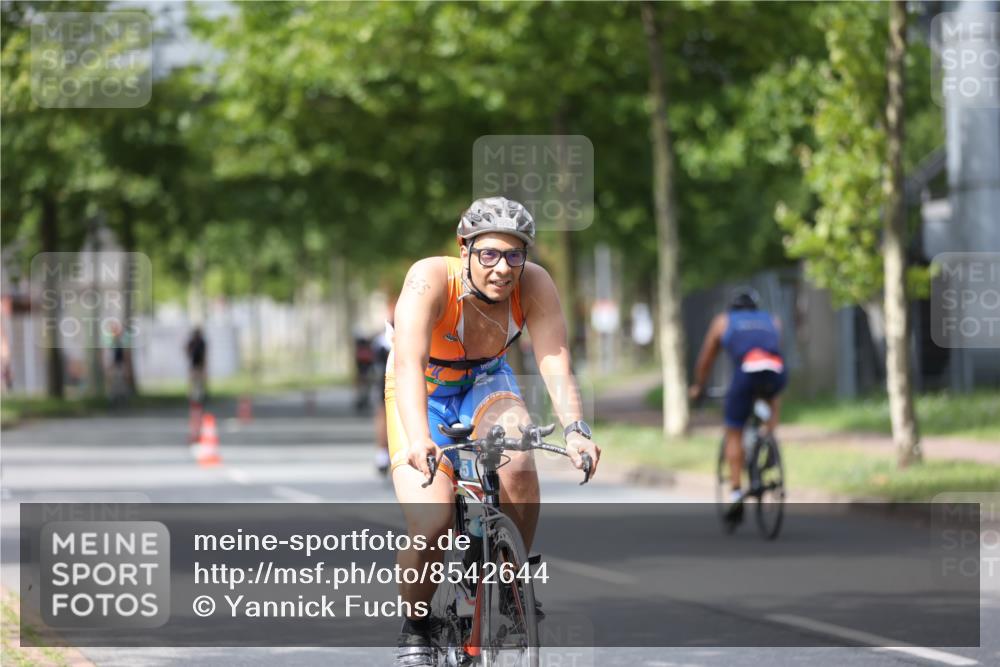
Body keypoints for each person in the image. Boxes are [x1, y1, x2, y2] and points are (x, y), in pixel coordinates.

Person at [386, 196, 601, 665]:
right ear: (464, 248)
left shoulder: (535, 283)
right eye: (489, 254)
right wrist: (420, 436)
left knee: (519, 459)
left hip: (486, 380)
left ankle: (510, 579)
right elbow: (407, 363)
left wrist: (576, 428)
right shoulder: (429, 279)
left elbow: (554, 359)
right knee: (432, 523)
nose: (503, 268)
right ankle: (417, 626)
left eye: (514, 255)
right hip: (422, 390)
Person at [689, 287, 786, 521]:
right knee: (772, 396)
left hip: (746, 373)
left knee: (733, 430)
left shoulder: (723, 321)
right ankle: (768, 438)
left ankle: (735, 492)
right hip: (776, 371)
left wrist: (699, 387)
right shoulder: (772, 320)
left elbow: (706, 360)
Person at [371, 309, 394, 476]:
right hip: (387, 382)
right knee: (382, 414)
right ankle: (382, 453)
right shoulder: (382, 340)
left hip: (403, 380)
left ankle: (384, 454)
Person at [185, 327, 207, 404]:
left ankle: (200, 396)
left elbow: (204, 353)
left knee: (200, 381)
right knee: (193, 381)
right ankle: (192, 396)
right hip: (194, 363)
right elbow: (187, 350)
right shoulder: (192, 342)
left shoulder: (201, 342)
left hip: (200, 363)